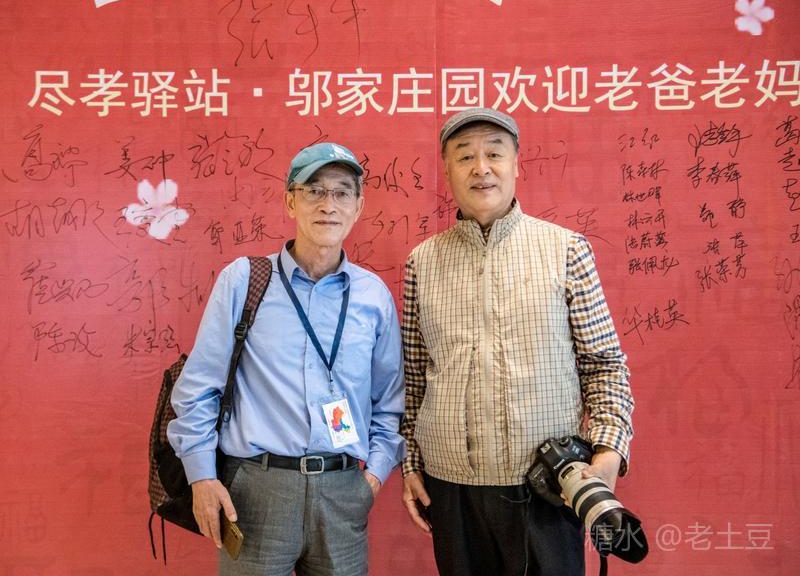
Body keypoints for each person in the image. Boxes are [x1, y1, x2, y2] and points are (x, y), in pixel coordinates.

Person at [399, 108, 634, 576]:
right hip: (451, 488)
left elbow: (604, 364)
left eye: (494, 153)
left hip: (547, 487)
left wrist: (609, 451)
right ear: (447, 171)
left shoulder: (565, 249)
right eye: (464, 156)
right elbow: (413, 378)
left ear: (516, 164)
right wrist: (410, 463)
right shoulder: (422, 262)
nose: (480, 168)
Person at [168, 142, 405, 576]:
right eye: (314, 190)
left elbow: (389, 402)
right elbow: (199, 387)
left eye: (342, 192)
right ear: (290, 201)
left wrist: (370, 480)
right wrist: (201, 476)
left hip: (343, 491)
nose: (328, 204)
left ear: (358, 207)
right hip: (256, 492)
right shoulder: (244, 280)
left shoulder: (373, 296)